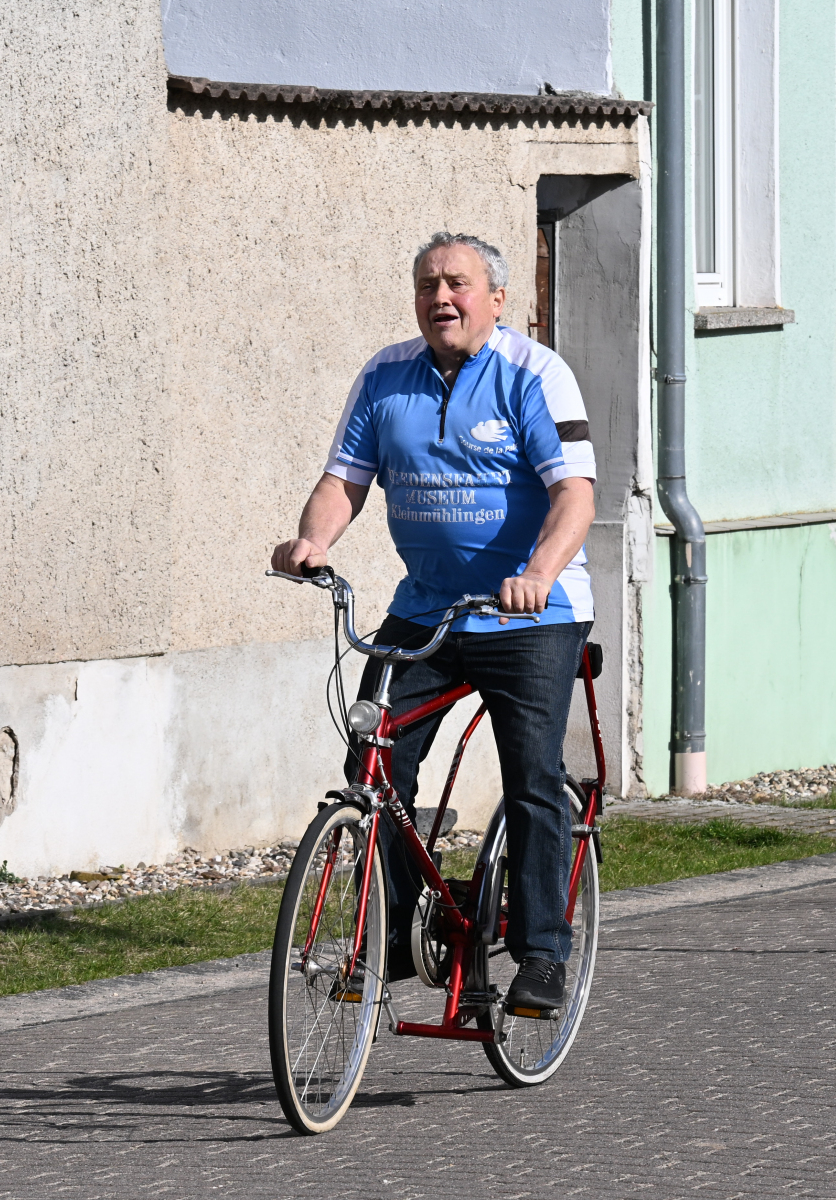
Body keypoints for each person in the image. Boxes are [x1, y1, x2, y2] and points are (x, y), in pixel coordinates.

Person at [269, 231, 596, 1013]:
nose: (440, 297)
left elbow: (574, 496)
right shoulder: (385, 377)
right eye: (427, 284)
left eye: (457, 283)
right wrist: (313, 541)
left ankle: (543, 953)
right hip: (427, 611)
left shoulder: (536, 375)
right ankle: (400, 930)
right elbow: (344, 481)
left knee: (532, 775)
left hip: (530, 617)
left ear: (497, 299)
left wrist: (537, 575)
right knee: (373, 767)